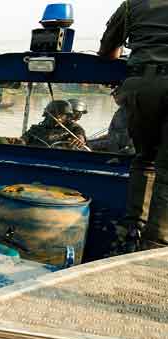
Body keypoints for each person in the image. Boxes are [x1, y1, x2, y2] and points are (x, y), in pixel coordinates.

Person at [99, 0, 168, 251]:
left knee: (145, 159)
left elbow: (108, 52)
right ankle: (155, 248)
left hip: (141, 87)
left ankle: (132, 231)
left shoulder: (133, 5)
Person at [21, 100, 88, 150]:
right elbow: (24, 139)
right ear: (46, 115)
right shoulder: (36, 129)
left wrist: (80, 138)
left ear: (67, 117)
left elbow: (79, 133)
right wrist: (19, 141)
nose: (57, 116)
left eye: (62, 114)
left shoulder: (72, 129)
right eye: (53, 113)